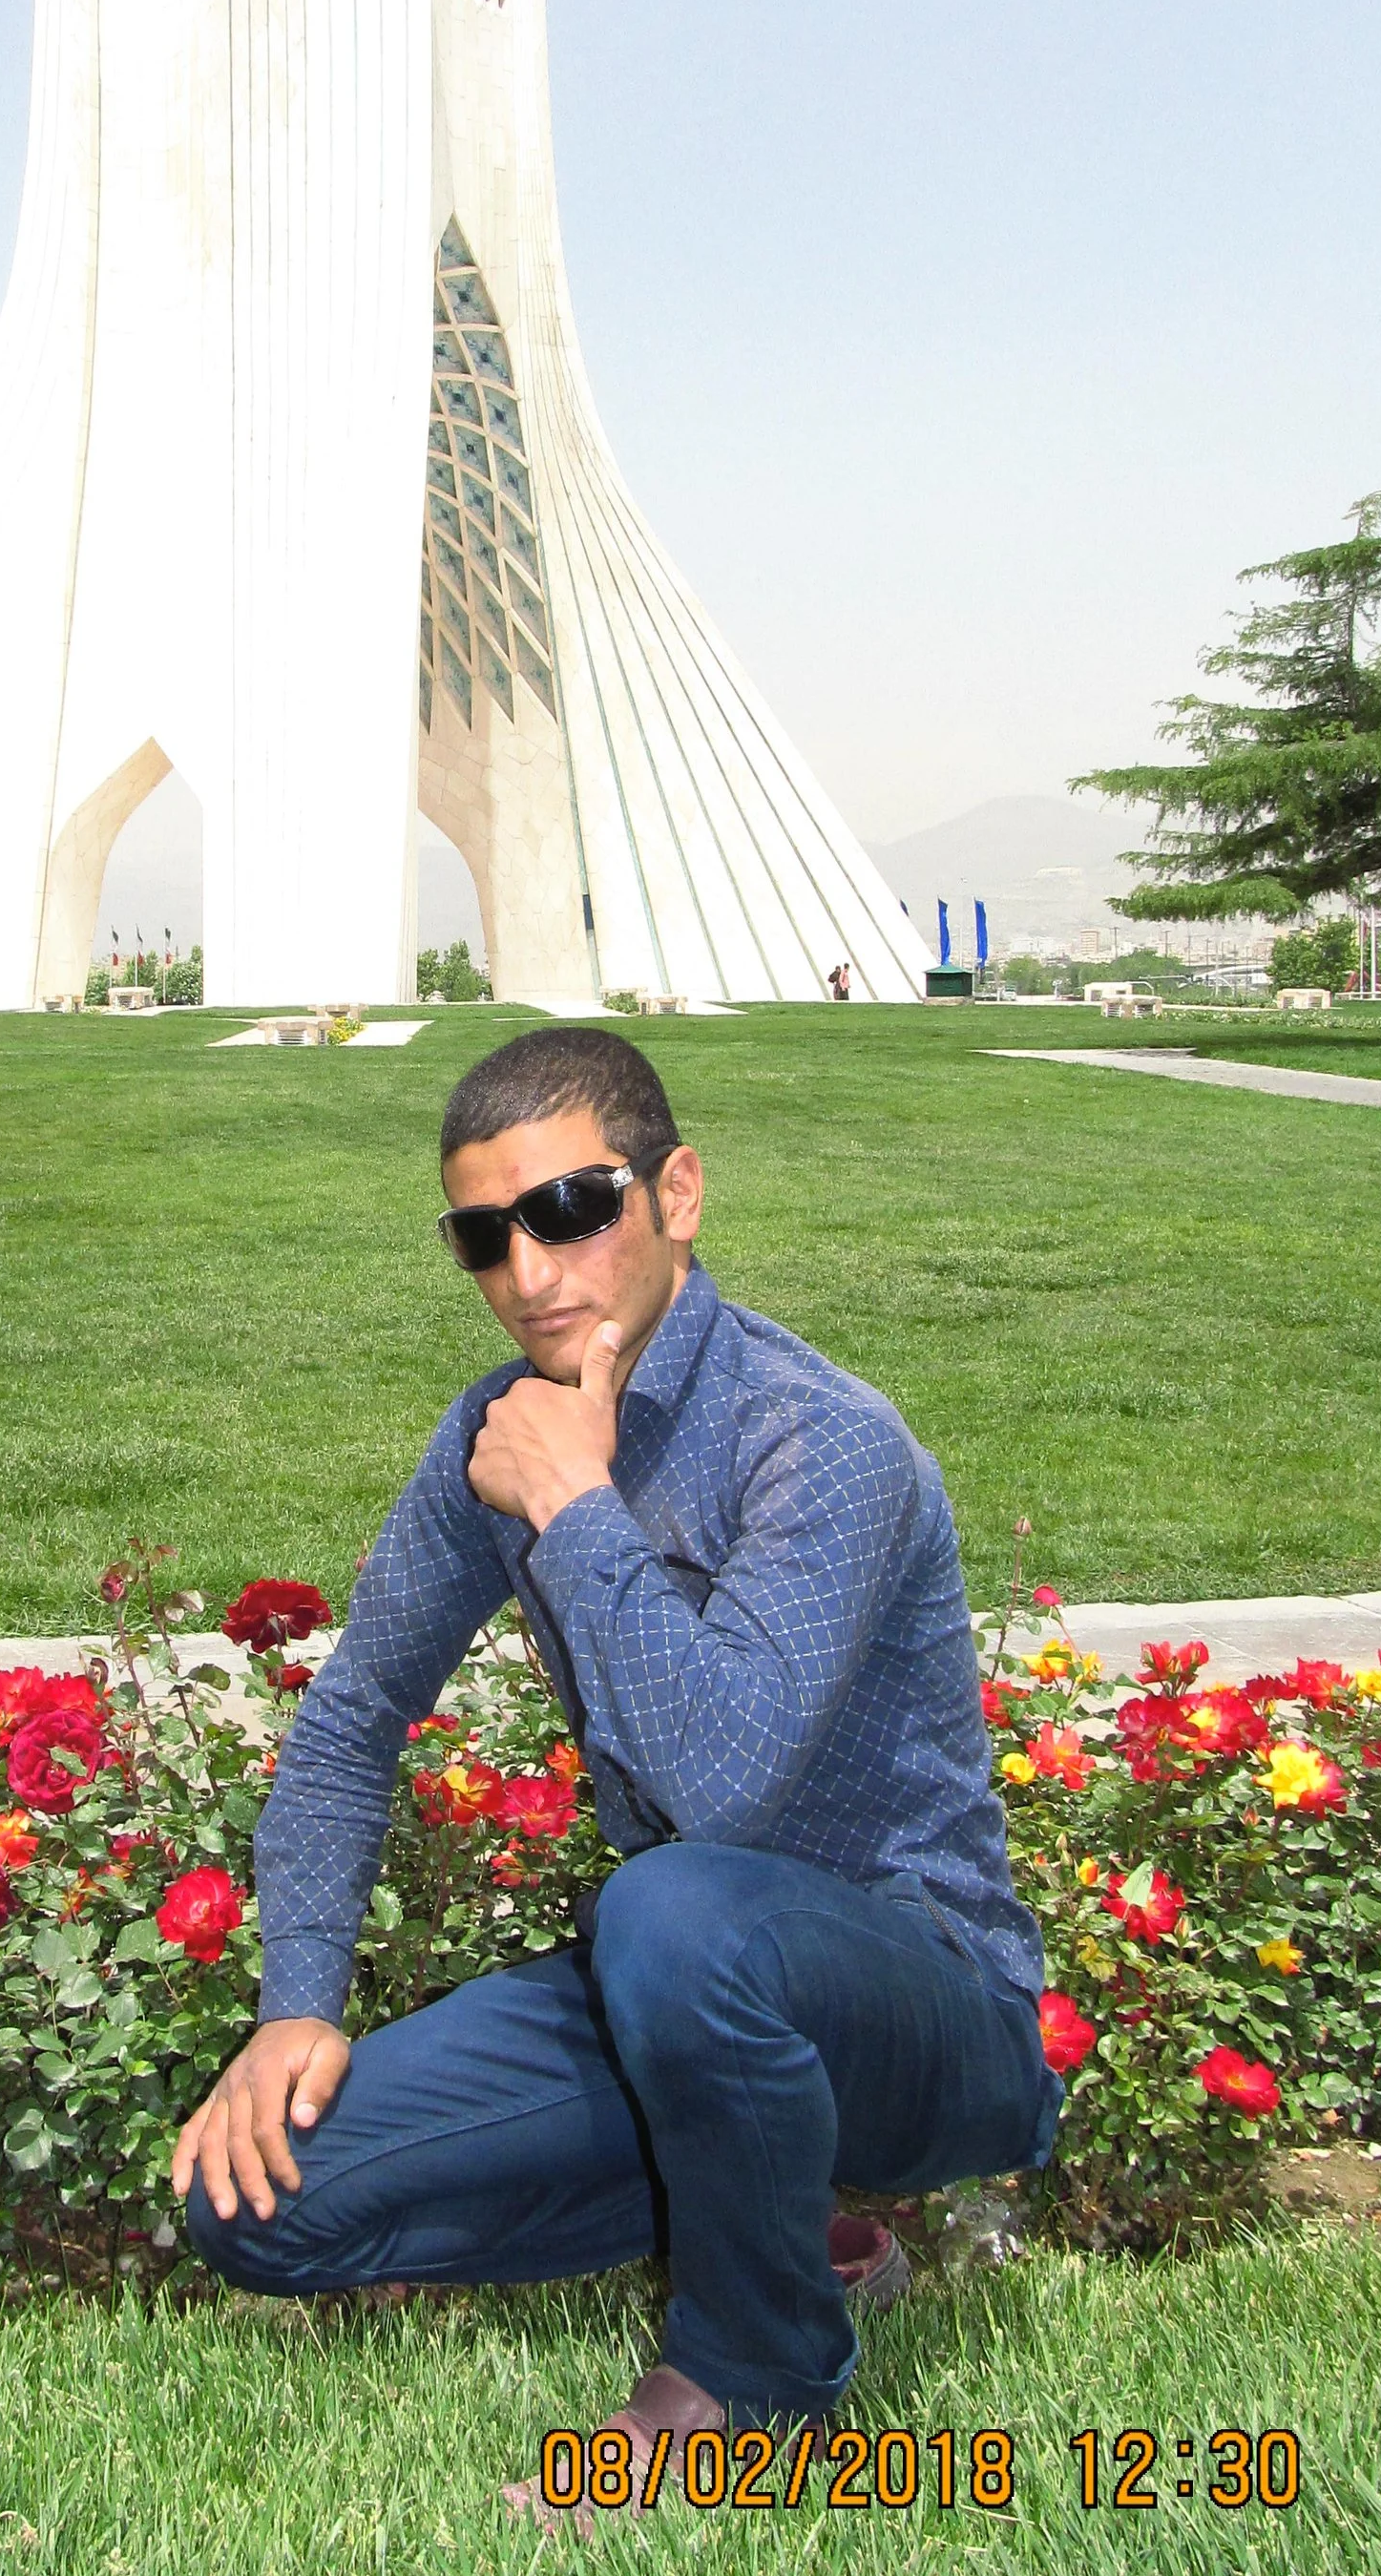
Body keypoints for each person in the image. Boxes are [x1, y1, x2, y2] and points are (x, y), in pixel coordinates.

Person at [174, 1026, 1056, 2498]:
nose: (532, 1270)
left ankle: (751, 2380)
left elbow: (724, 1792)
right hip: (689, 1993)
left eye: (574, 1209)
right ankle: (791, 2226)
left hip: (929, 2006)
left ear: (678, 1194)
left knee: (675, 1904)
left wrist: (577, 1507)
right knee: (257, 2207)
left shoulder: (820, 1438)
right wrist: (295, 2006)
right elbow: (348, 1723)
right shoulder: (495, 1435)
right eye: (483, 1235)